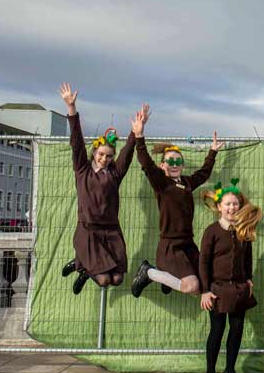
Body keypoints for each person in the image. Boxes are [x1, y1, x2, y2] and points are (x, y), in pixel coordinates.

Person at [130, 107, 223, 298]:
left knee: (204, 287)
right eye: (169, 162)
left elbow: (203, 174)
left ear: (182, 165)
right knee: (191, 287)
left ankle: (168, 278)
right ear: (163, 165)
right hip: (170, 247)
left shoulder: (187, 182)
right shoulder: (161, 183)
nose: (174, 165)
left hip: (188, 244)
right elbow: (146, 163)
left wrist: (212, 152)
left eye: (177, 162)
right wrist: (139, 136)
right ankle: (148, 272)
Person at [59, 82, 141, 294]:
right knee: (104, 280)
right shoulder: (82, 170)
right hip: (88, 230)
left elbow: (127, 155)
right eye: (101, 154)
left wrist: (135, 133)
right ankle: (84, 267)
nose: (104, 158)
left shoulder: (114, 173)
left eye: (109, 156)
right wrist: (71, 109)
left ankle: (83, 267)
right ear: (94, 153)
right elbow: (76, 141)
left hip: (111, 231)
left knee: (117, 279)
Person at [199, 179, 262, 373]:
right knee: (217, 330)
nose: (232, 208)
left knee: (237, 329)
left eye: (235, 204)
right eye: (227, 204)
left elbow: (247, 257)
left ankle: (230, 369)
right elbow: (204, 262)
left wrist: (249, 279)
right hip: (217, 289)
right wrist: (205, 291)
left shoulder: (244, 230)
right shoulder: (212, 231)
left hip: (239, 289)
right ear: (219, 207)